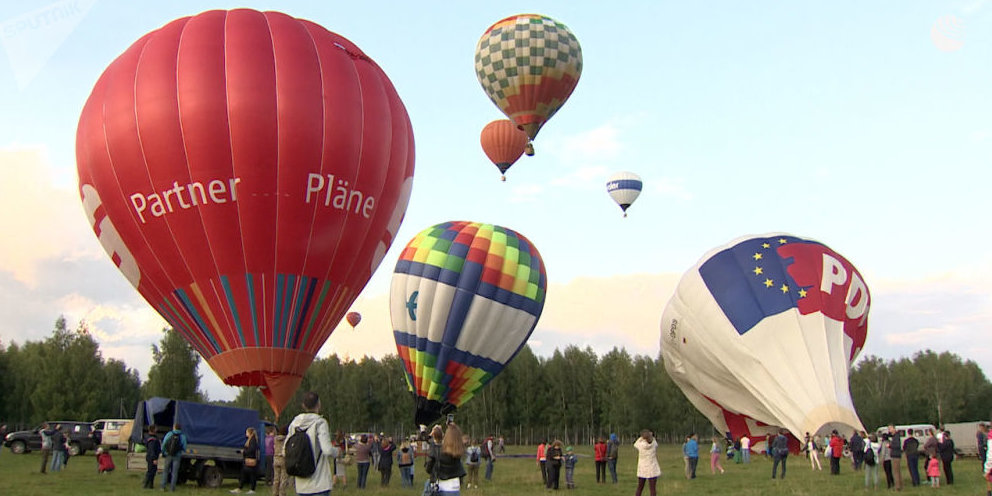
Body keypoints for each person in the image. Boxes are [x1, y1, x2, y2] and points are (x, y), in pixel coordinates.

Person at [286, 391, 339, 496]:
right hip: (319, 482)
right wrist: (337, 452)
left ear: (303, 405)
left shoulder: (294, 424)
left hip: (301, 484)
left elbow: (286, 448)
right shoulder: (320, 422)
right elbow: (327, 450)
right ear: (319, 404)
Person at [425, 423, 466, 496]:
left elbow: (428, 469)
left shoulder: (438, 450)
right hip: (453, 485)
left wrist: (433, 434)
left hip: (439, 485)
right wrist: (453, 427)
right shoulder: (458, 451)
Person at [231, 426, 260, 494]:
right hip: (247, 460)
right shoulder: (250, 440)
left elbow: (252, 450)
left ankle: (252, 489)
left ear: (250, 433)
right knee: (244, 474)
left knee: (251, 475)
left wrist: (244, 452)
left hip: (250, 460)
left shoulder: (253, 440)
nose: (245, 434)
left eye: (246, 432)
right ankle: (240, 488)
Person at [634, 430, 661, 496]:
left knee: (640, 488)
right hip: (652, 468)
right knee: (652, 489)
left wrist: (641, 437)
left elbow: (635, 444)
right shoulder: (654, 444)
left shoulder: (640, 445)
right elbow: (654, 441)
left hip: (642, 468)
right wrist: (650, 435)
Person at [161, 423, 187, 491]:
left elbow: (164, 443)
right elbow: (184, 447)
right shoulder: (182, 436)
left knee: (166, 471)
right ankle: (172, 488)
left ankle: (163, 487)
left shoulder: (169, 434)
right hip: (177, 456)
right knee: (174, 472)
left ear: (174, 427)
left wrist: (164, 452)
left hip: (168, 455)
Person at [143, 424, 162, 489]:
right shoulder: (152, 439)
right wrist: (154, 459)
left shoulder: (149, 438)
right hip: (152, 457)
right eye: (155, 428)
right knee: (151, 471)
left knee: (153, 471)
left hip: (150, 456)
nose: (157, 429)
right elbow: (152, 450)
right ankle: (146, 485)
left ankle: (150, 485)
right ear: (153, 430)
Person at [272, 425, 289, 496]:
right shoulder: (286, 439)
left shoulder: (275, 439)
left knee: (276, 478)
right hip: (283, 459)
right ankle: (282, 493)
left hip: (276, 458)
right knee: (283, 479)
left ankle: (275, 493)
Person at [887, 425, 903, 490]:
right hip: (895, 455)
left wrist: (890, 445)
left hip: (895, 455)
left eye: (890, 428)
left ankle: (897, 486)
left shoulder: (896, 436)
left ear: (894, 428)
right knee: (897, 471)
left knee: (896, 471)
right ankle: (899, 485)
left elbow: (897, 445)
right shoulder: (895, 436)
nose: (889, 430)